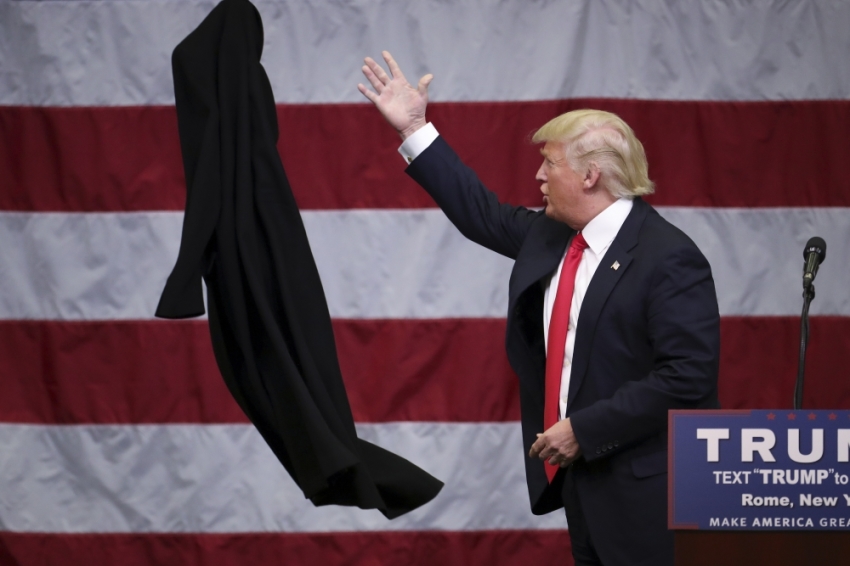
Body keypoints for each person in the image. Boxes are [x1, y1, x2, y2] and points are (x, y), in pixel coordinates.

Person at [358, 51, 720, 566]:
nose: (539, 176)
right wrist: (415, 129)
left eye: (550, 163)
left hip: (651, 498)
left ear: (592, 174)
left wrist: (584, 429)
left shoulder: (669, 258)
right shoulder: (553, 236)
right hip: (583, 487)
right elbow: (480, 214)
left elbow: (689, 377)